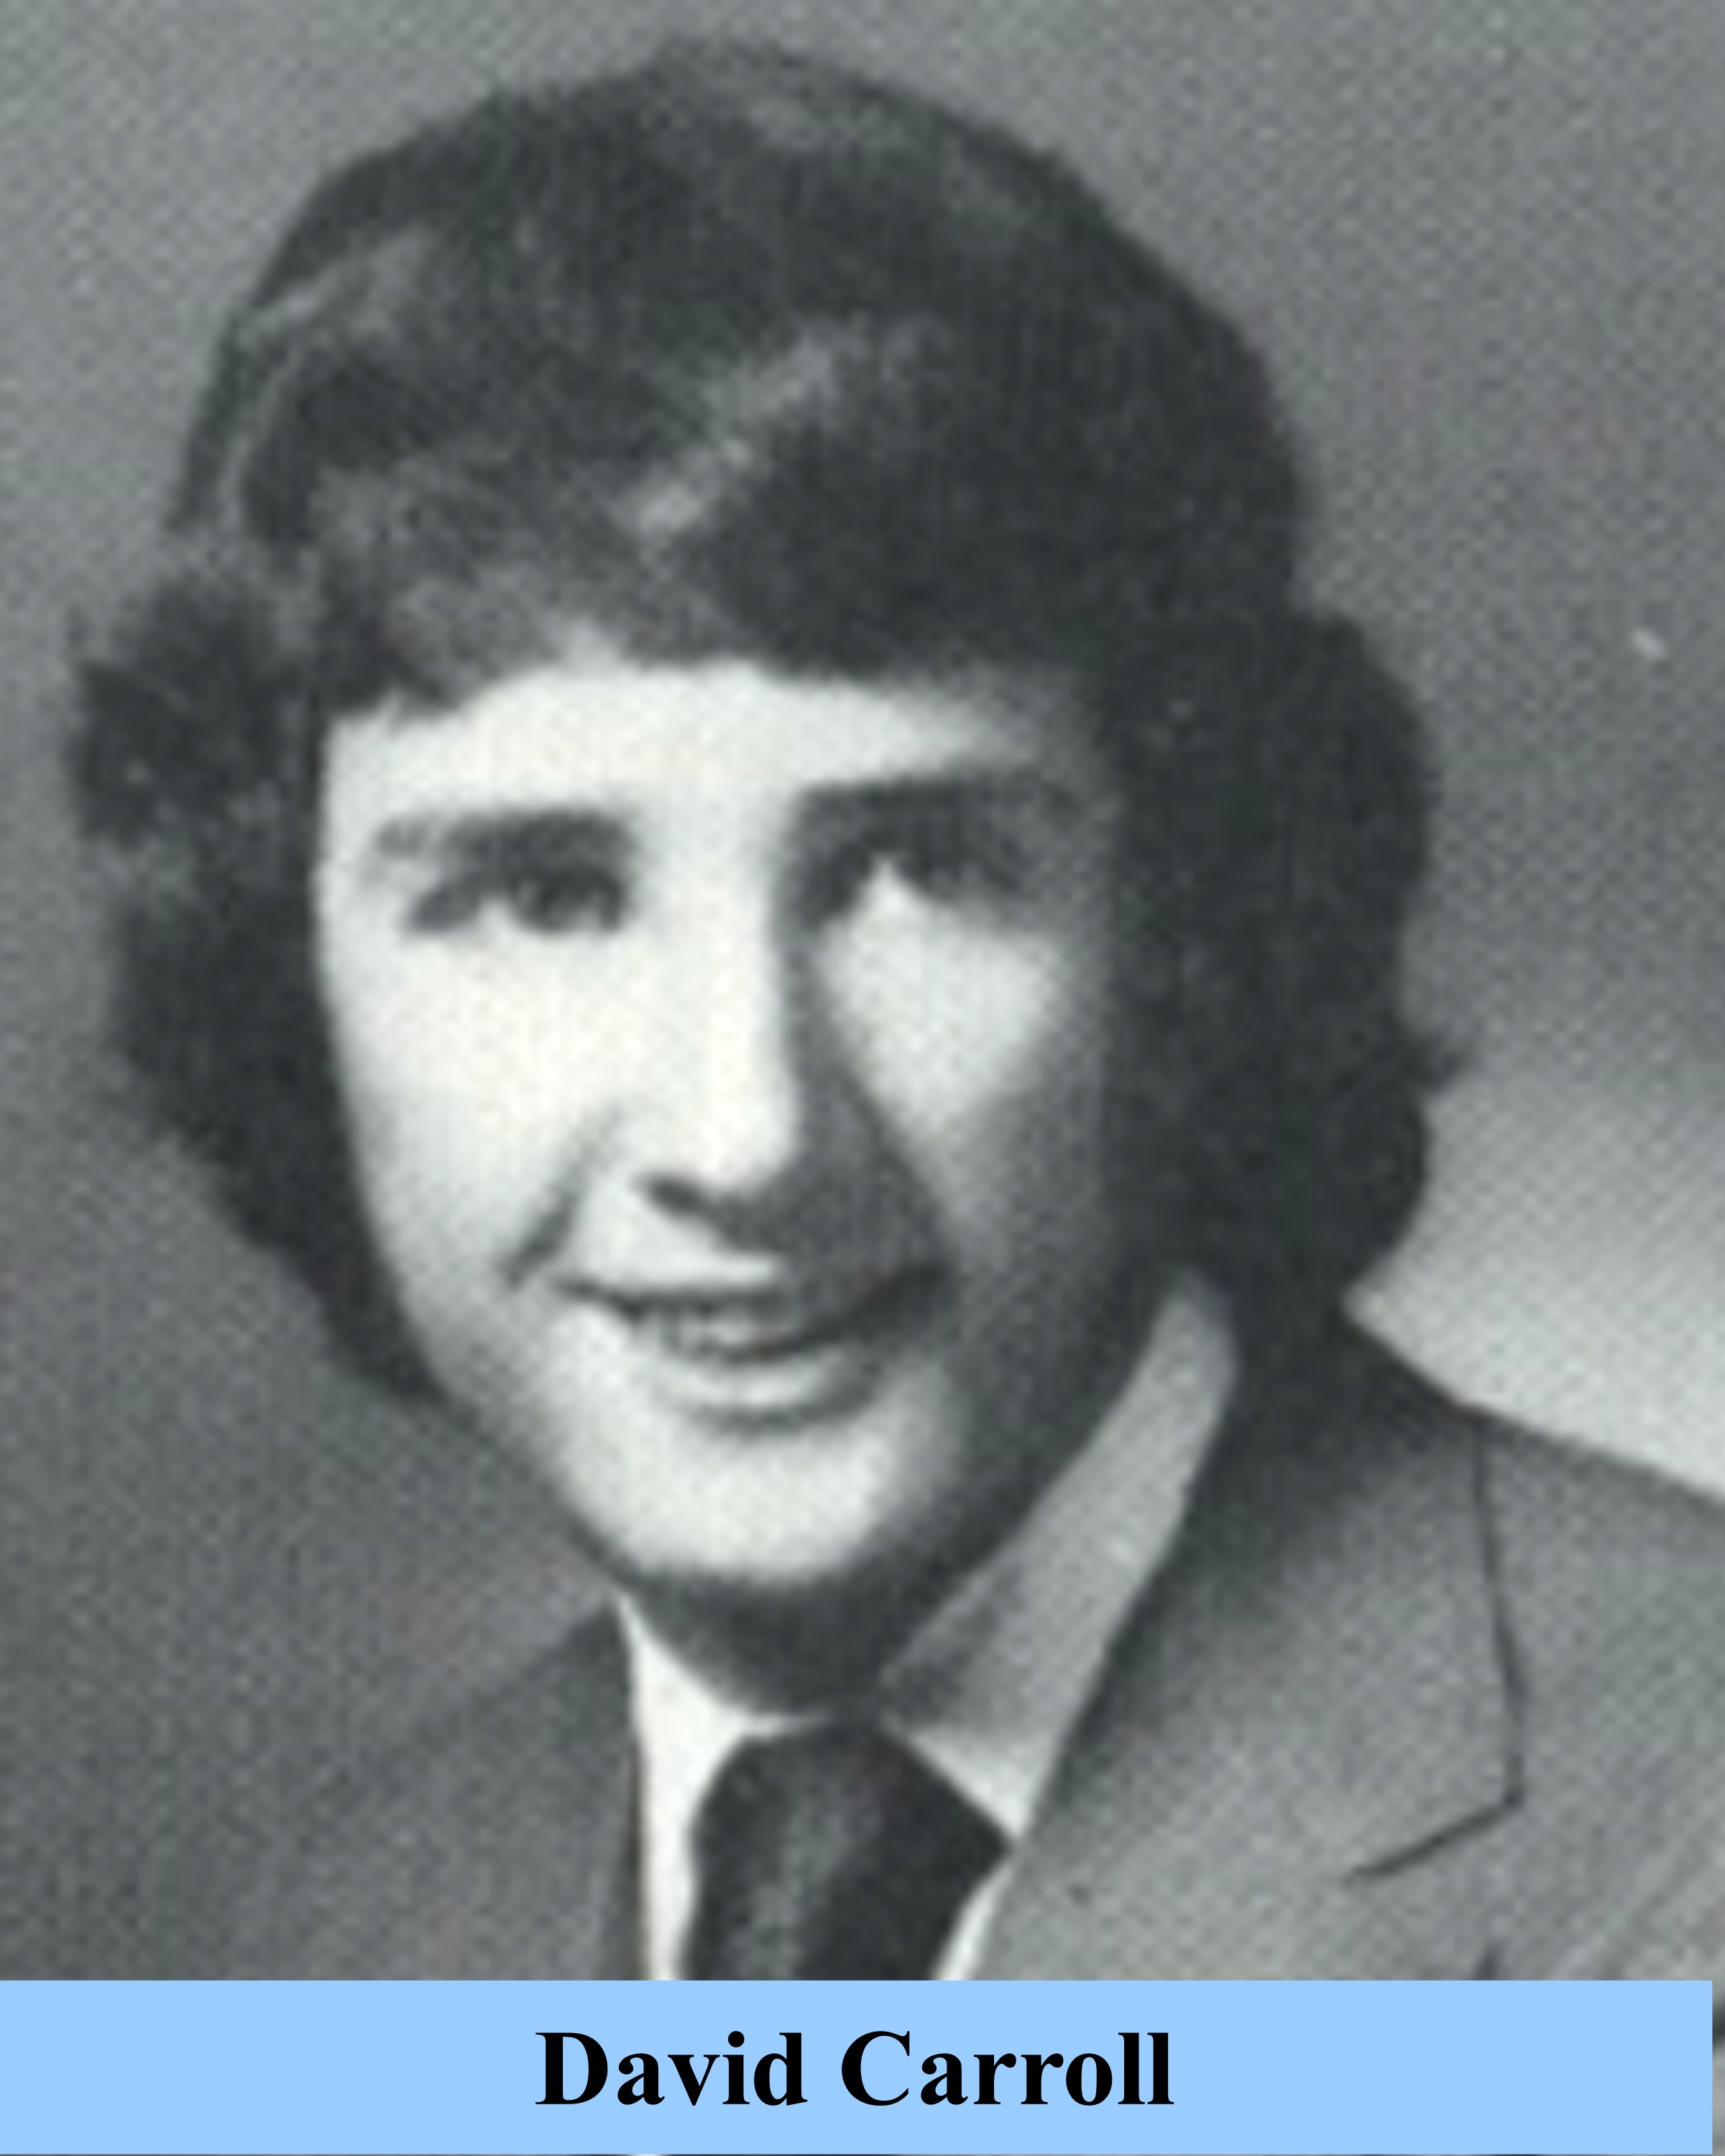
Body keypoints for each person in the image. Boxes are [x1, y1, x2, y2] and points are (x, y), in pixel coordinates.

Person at [66, 36, 1725, 1983]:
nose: (749, 1135)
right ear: (296, 988)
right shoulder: (319, 1954)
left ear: (1188, 926)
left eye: (918, 868)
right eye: (545, 896)